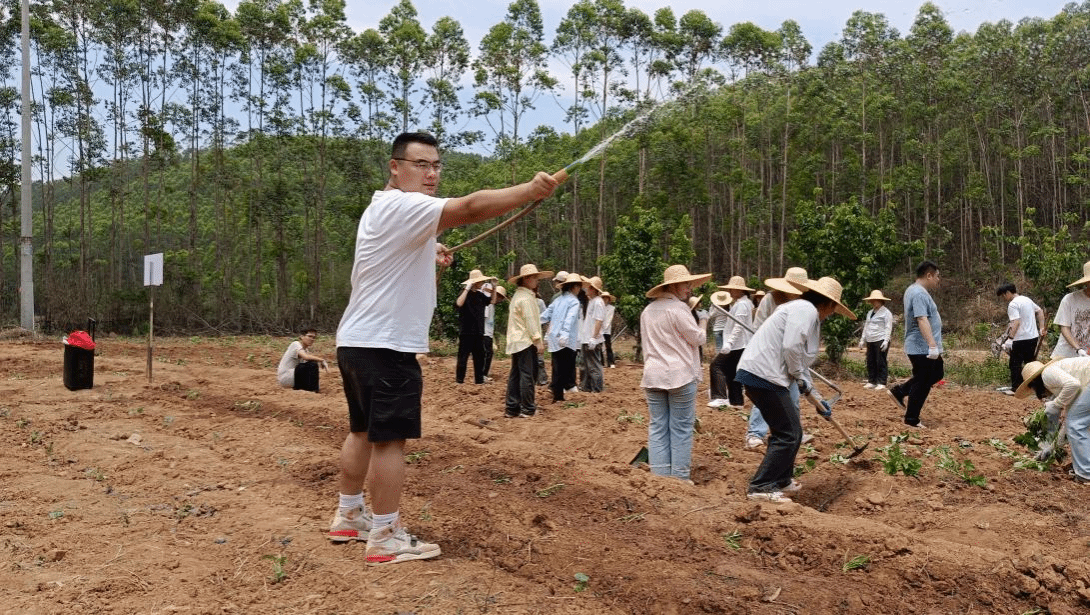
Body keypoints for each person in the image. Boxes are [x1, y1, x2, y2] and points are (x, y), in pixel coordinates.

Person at [329, 131, 558, 565]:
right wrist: (528, 190)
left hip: (358, 341)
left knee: (361, 430)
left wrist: (428, 260)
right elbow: (469, 207)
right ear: (395, 167)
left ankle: (349, 516)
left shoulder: (385, 209)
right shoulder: (403, 205)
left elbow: (411, 284)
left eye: (436, 165)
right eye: (420, 165)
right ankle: (385, 535)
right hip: (386, 345)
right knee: (389, 440)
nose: (431, 174)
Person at [736, 276, 856, 502]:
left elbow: (799, 362)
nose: (831, 314)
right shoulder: (805, 309)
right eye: (833, 310)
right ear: (828, 304)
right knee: (788, 433)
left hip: (764, 375)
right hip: (763, 375)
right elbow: (791, 348)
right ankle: (761, 486)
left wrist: (817, 399)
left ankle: (782, 479)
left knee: (792, 432)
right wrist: (800, 378)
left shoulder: (802, 310)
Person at [640, 265, 712, 482]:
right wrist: (703, 321)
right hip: (679, 375)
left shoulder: (647, 311)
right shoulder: (678, 309)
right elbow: (697, 338)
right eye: (686, 285)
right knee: (681, 428)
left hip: (653, 375)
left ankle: (659, 478)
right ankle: (679, 479)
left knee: (658, 426)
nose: (689, 289)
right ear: (674, 286)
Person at [744, 267, 808, 450]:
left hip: (790, 357)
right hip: (768, 357)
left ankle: (793, 432)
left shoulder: (805, 303)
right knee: (767, 396)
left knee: (792, 398)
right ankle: (755, 433)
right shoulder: (770, 299)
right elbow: (757, 328)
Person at [1014, 358, 1090, 483]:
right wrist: (1052, 447)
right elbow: (1068, 425)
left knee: (1076, 424)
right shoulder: (1067, 379)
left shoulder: (1047, 374)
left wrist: (1056, 404)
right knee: (1078, 424)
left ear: (1034, 383)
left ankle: (1085, 474)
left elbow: (1073, 384)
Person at [887, 260, 943, 428]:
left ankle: (900, 391)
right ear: (929, 275)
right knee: (923, 381)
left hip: (922, 345)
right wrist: (932, 345)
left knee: (937, 372)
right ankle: (912, 419)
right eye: (937, 276)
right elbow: (921, 319)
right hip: (921, 346)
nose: (938, 280)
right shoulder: (919, 293)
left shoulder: (915, 290)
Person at [505, 264, 552, 418]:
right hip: (525, 340)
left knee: (516, 374)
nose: (537, 281)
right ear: (527, 279)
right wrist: (538, 340)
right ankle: (528, 408)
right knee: (527, 375)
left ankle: (512, 407)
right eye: (535, 278)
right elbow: (531, 320)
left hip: (517, 340)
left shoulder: (518, 296)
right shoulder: (526, 298)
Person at [709, 276, 755, 410]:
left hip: (738, 344)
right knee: (731, 372)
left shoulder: (742, 304)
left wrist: (729, 343)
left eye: (732, 289)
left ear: (740, 290)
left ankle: (720, 397)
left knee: (716, 366)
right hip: (740, 344)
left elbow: (738, 326)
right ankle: (736, 401)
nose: (729, 291)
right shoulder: (742, 303)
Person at [541, 272, 583, 402]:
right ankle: (559, 394)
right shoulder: (574, 301)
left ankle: (557, 394)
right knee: (565, 367)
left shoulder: (558, 300)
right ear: (574, 287)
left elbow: (546, 315)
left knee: (557, 366)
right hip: (566, 339)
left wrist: (534, 322)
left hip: (554, 337)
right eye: (579, 286)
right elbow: (570, 319)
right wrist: (564, 334)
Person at [997, 283, 1046, 392]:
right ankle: (1037, 388)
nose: (1004, 298)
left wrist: (1010, 339)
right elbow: (1040, 311)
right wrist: (1041, 328)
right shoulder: (1027, 299)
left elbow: (1016, 322)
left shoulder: (1013, 304)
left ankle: (1016, 388)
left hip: (1020, 339)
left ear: (1008, 293)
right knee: (1030, 363)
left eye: (1004, 295)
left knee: (1014, 363)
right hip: (1033, 337)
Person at [455, 269, 496, 385]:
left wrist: (494, 287)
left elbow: (492, 301)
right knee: (463, 357)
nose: (482, 283)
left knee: (479, 357)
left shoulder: (480, 295)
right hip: (466, 331)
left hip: (479, 331)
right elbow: (459, 303)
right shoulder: (464, 294)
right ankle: (459, 380)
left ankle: (479, 380)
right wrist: (467, 289)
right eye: (480, 281)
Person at [1051, 261, 1090, 359]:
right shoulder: (1070, 299)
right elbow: (1064, 327)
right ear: (1087, 282)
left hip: (1087, 357)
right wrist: (1078, 349)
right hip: (1066, 355)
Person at [857, 290, 894, 390]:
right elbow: (866, 326)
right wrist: (862, 339)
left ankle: (881, 382)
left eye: (876, 300)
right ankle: (872, 381)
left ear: (881, 300)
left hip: (880, 338)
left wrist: (886, 340)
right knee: (870, 360)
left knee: (880, 360)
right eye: (872, 300)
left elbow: (888, 327)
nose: (874, 302)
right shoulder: (870, 312)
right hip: (870, 339)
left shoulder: (886, 313)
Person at [579, 276, 607, 392]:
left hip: (592, 339)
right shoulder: (592, 301)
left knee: (594, 365)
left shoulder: (598, 302)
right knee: (587, 365)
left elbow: (599, 320)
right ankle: (587, 387)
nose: (586, 289)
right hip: (587, 338)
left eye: (588, 287)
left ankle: (597, 388)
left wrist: (594, 337)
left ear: (593, 289)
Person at [482, 284, 507, 381]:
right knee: (487, 354)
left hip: (488, 333)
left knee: (488, 354)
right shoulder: (488, 305)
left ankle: (483, 373)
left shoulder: (492, 305)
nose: (500, 300)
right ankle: (483, 374)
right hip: (485, 333)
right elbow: (483, 318)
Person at [602, 292, 617, 368]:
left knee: (608, 346)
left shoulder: (611, 308)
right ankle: (601, 363)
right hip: (599, 329)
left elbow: (609, 319)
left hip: (607, 330)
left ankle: (611, 362)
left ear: (609, 299)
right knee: (599, 346)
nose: (605, 299)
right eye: (603, 298)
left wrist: (604, 327)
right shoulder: (599, 307)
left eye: (606, 298)